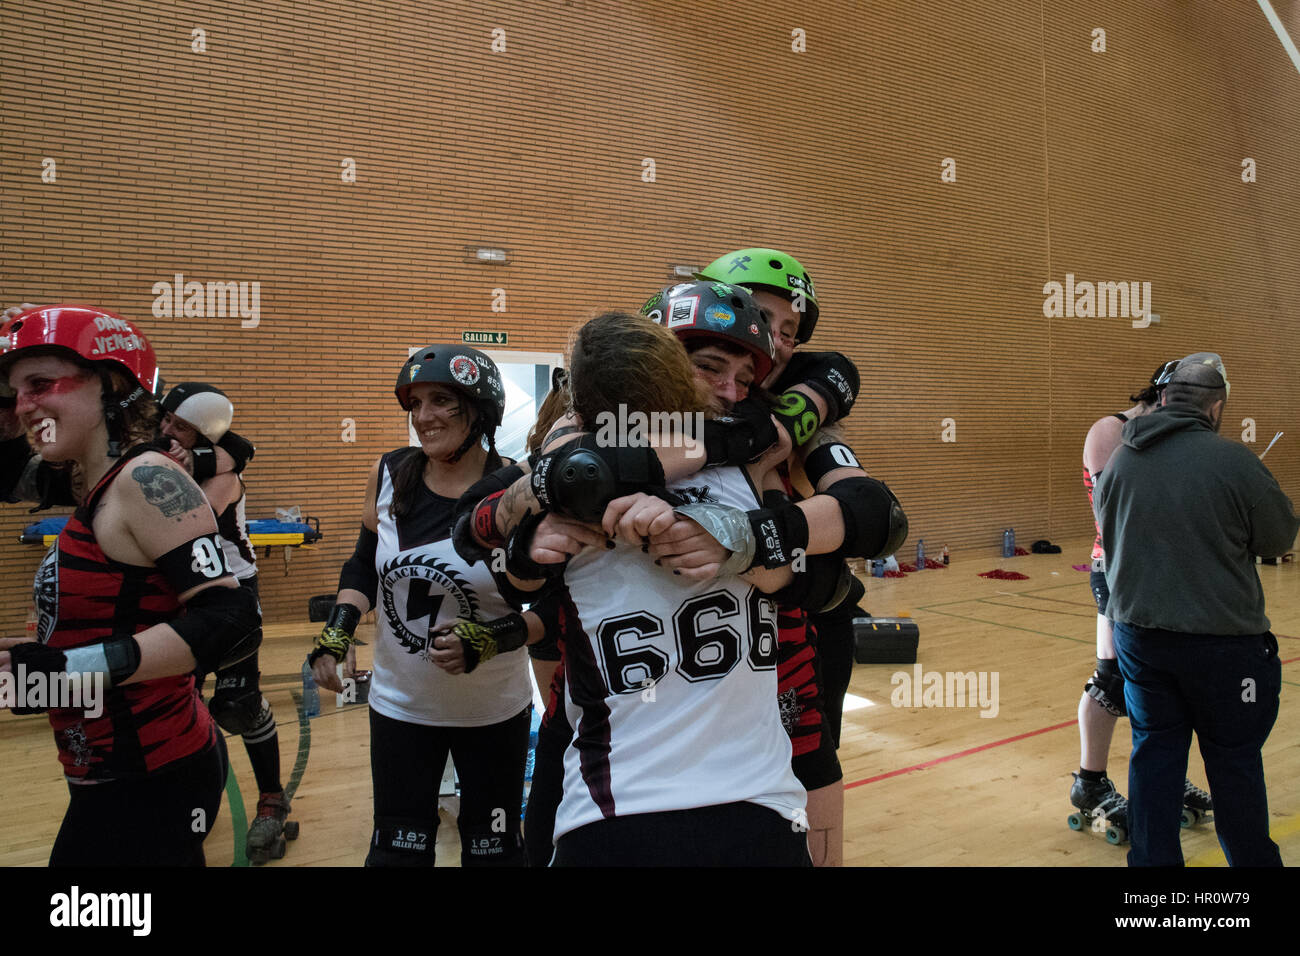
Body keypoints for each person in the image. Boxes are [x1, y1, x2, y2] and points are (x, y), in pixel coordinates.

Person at [497, 308, 812, 865]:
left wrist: (736, 541)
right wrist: (527, 536)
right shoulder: (571, 472)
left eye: (743, 379)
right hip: (618, 799)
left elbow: (830, 556)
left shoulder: (754, 458)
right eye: (709, 368)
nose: (729, 390)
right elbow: (489, 544)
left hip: (755, 791)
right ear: (669, 365)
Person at [0, 304, 260, 866]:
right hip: (109, 769)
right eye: (15, 392)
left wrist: (67, 670)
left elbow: (231, 624)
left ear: (110, 385)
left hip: (152, 773)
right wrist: (40, 671)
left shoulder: (145, 478)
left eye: (41, 384)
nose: (24, 405)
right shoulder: (89, 480)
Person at [307, 345, 533, 866]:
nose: (423, 417)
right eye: (414, 404)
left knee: (493, 852)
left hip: (493, 711)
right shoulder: (389, 474)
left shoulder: (516, 490)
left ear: (480, 410)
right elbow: (364, 565)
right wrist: (338, 630)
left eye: (440, 401)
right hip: (402, 709)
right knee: (396, 855)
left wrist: (491, 639)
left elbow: (549, 599)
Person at [1096, 352, 1298, 866]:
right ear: (1215, 407)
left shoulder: (1119, 460)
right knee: (1234, 764)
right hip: (1224, 647)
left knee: (1155, 757)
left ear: (1165, 397)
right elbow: (1278, 537)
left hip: (1140, 640)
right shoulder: (1233, 462)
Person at [1071, 362, 1213, 834]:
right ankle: (1089, 781)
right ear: (1163, 395)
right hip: (1116, 569)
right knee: (1112, 678)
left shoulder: (1171, 434)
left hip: (1165, 571)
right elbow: (1118, 508)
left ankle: (1160, 776)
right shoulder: (1110, 429)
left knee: (1164, 680)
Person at [158, 382, 291, 863]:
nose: (167, 431)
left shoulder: (223, 473)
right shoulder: (202, 456)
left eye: (181, 428)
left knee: (238, 703)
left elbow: (189, 520)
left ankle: (272, 798)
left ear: (204, 436)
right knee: (179, 704)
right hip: (182, 596)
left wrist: (196, 463)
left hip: (233, 594)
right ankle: (191, 799)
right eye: (166, 420)